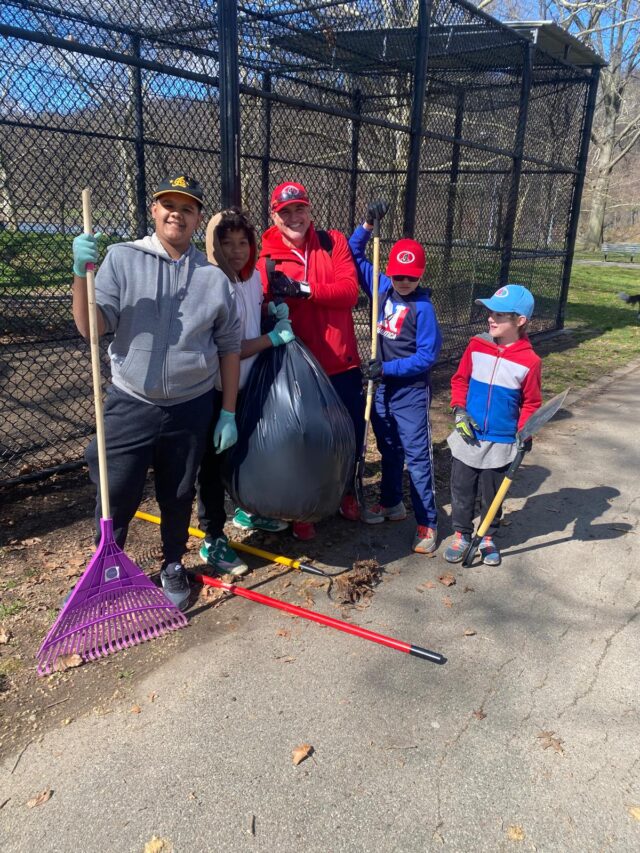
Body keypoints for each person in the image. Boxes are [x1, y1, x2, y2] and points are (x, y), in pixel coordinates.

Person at [71, 174, 241, 610]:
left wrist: (227, 412)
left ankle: (172, 564)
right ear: (154, 211)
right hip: (132, 401)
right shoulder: (122, 259)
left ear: (198, 218)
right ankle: (107, 564)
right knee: (117, 487)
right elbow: (92, 327)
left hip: (191, 405)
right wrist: (79, 275)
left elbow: (229, 348)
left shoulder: (213, 278)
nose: (176, 215)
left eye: (187, 209)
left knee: (179, 494)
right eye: (169, 205)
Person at [256, 181, 364, 540]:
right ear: (274, 215)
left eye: (299, 209)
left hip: (342, 360)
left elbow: (349, 293)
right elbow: (262, 307)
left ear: (310, 210)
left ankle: (347, 491)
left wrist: (304, 290)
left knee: (350, 432)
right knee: (308, 439)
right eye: (285, 212)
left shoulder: (333, 242)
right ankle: (307, 508)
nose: (293, 217)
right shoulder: (266, 257)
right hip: (301, 366)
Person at [196, 207, 294, 575]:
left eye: (243, 242)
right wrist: (272, 338)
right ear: (215, 245)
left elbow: (251, 318)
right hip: (218, 389)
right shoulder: (212, 282)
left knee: (243, 455)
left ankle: (246, 510)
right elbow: (230, 347)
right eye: (227, 243)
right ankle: (212, 539)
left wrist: (271, 313)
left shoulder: (251, 278)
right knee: (211, 465)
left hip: (249, 384)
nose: (237, 250)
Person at [349, 202, 442, 554]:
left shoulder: (424, 309)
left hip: (409, 392)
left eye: (411, 277)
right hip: (381, 389)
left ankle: (428, 522)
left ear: (420, 275)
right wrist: (368, 224)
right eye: (399, 275)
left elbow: (426, 357)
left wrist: (388, 369)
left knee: (417, 458)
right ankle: (392, 503)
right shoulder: (383, 287)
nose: (404, 282)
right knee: (388, 449)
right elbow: (354, 252)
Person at [444, 284, 542, 566]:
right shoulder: (477, 345)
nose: (491, 319)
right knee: (461, 489)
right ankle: (461, 534)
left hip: (500, 440)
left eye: (500, 315)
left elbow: (532, 403)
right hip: (469, 435)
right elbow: (460, 380)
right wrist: (459, 410)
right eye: (490, 313)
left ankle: (486, 537)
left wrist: (525, 431)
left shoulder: (530, 362)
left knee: (493, 494)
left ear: (519, 321)